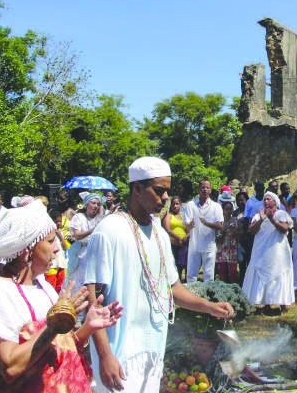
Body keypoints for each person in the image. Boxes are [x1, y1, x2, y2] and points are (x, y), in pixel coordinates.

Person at [84, 157, 234, 392]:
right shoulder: (109, 230)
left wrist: (210, 307)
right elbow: (93, 300)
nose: (165, 198)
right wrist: (105, 356)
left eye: (167, 191)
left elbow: (172, 288)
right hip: (119, 352)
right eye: (159, 190)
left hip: (152, 350)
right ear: (137, 188)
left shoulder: (160, 233)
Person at [0, 199, 122, 392]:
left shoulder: (43, 286)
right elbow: (10, 367)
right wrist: (53, 326)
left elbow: (57, 346)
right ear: (27, 248)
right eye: (50, 240)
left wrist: (87, 327)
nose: (57, 248)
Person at [242, 191, 294, 314]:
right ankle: (264, 302)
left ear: (275, 202)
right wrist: (262, 218)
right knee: (261, 272)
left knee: (278, 272)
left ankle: (282, 303)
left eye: (268, 199)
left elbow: (284, 229)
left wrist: (271, 219)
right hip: (261, 250)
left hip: (278, 251)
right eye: (264, 199)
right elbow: (251, 230)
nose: (266, 201)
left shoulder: (281, 213)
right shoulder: (258, 214)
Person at [186, 179, 224, 283]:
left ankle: (208, 298)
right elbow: (186, 226)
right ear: (198, 190)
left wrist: (207, 223)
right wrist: (190, 225)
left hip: (209, 246)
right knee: (191, 275)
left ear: (210, 190)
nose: (205, 189)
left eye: (207, 187)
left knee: (209, 276)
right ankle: (191, 298)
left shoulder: (216, 206)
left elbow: (220, 225)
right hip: (194, 245)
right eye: (203, 187)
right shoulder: (190, 205)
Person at [67, 192, 104, 292]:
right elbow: (77, 235)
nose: (96, 206)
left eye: (98, 204)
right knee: (78, 285)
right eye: (93, 203)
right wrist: (91, 230)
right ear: (87, 204)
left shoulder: (99, 219)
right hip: (80, 254)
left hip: (95, 253)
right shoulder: (78, 217)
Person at [162, 196, 191, 280]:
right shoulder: (168, 215)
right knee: (176, 265)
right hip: (173, 243)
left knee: (185, 264)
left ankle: (186, 282)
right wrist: (178, 238)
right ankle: (175, 282)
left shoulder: (183, 216)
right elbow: (167, 229)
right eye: (173, 204)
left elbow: (188, 229)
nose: (175, 206)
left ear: (180, 205)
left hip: (184, 243)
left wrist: (186, 237)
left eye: (177, 204)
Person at [215, 194, 240, 284]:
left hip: (232, 251)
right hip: (222, 251)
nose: (229, 211)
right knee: (222, 274)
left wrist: (235, 231)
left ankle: (234, 291)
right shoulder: (219, 222)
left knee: (233, 274)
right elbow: (218, 238)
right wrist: (224, 230)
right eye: (227, 209)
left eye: (230, 209)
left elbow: (238, 234)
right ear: (223, 210)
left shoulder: (235, 220)